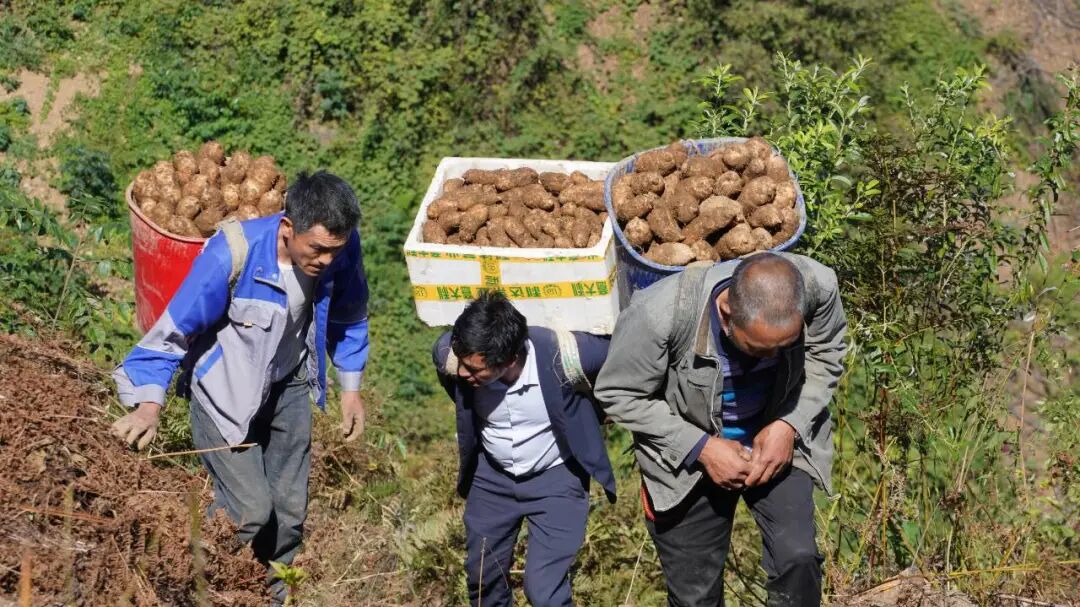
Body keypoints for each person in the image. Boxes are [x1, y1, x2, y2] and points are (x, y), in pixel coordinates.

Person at [110, 170, 370, 605]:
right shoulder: (233, 254)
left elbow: (349, 315)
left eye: (335, 251)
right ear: (288, 228)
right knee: (249, 511)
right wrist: (148, 407)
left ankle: (269, 595)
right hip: (223, 393)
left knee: (288, 513)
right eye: (318, 249)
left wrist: (349, 388)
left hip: (286, 383)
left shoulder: (341, 251)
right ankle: (184, 580)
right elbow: (171, 332)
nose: (326, 260)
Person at [595, 252, 847, 607]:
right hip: (687, 460)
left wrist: (788, 423)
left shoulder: (818, 286)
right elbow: (618, 393)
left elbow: (828, 352)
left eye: (784, 347)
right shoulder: (660, 314)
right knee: (695, 596)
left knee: (799, 559)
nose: (773, 358)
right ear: (726, 313)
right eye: (759, 348)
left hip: (776, 441)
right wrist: (702, 447)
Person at [432, 291, 616, 607]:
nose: (464, 374)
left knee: (545, 591)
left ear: (509, 359)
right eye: (462, 365)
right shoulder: (449, 357)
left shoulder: (566, 356)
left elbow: (624, 349)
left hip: (557, 480)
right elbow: (453, 369)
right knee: (482, 580)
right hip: (492, 480)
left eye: (475, 371)